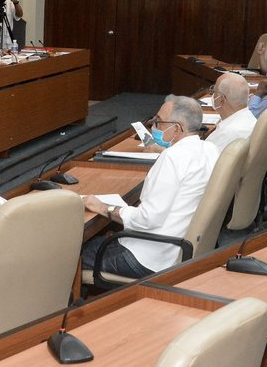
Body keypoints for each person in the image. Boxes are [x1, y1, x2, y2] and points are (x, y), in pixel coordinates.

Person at [81, 95, 219, 278]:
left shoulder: (172, 159)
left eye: (159, 122)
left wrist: (105, 208)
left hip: (147, 257)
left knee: (74, 255)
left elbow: (147, 219)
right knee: (103, 237)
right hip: (177, 247)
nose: (154, 126)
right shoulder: (210, 149)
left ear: (177, 128)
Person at [206, 72, 257, 152]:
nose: (212, 95)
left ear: (221, 99)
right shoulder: (251, 119)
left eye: (214, 92)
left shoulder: (226, 134)